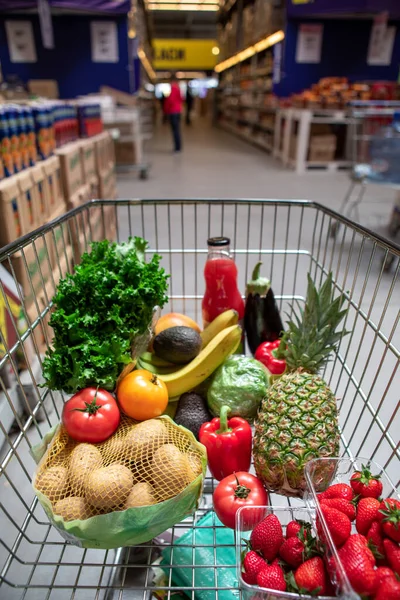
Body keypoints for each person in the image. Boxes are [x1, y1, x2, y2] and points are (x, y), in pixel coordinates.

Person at [164, 76, 183, 153]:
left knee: (175, 130)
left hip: (173, 111)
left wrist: (166, 109)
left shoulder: (174, 89)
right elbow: (181, 99)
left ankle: (177, 148)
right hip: (177, 111)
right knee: (177, 129)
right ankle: (178, 147)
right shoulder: (178, 89)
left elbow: (170, 101)